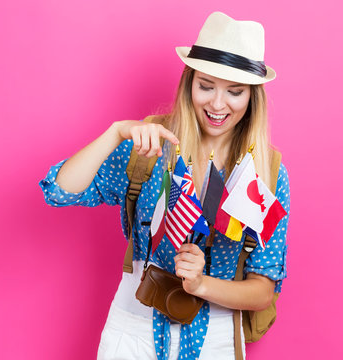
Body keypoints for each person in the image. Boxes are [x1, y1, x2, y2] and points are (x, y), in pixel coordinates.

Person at [39, 11, 290, 360]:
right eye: (206, 86)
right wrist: (114, 133)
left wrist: (202, 284)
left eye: (234, 92)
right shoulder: (149, 145)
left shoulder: (267, 171)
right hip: (136, 321)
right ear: (189, 83)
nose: (218, 105)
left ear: (252, 98)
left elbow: (264, 288)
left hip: (214, 336)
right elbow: (59, 191)